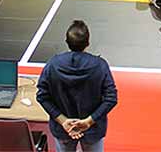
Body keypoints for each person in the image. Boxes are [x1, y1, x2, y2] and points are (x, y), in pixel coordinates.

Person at [36, 20, 118, 152]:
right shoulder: (100, 65)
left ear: (67, 41)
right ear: (88, 43)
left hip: (63, 130)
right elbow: (111, 98)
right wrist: (88, 122)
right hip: (93, 130)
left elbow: (42, 96)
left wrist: (63, 121)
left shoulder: (53, 64)